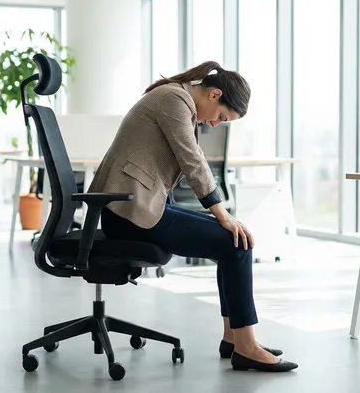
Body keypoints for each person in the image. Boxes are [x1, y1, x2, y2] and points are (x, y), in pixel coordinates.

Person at [87, 61, 297, 373]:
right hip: (127, 213)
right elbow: (192, 160)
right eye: (221, 117)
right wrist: (222, 214)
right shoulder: (174, 99)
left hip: (135, 206)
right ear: (214, 94)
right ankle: (246, 346)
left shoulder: (176, 97)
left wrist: (223, 218)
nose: (215, 124)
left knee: (233, 240)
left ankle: (234, 339)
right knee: (235, 242)